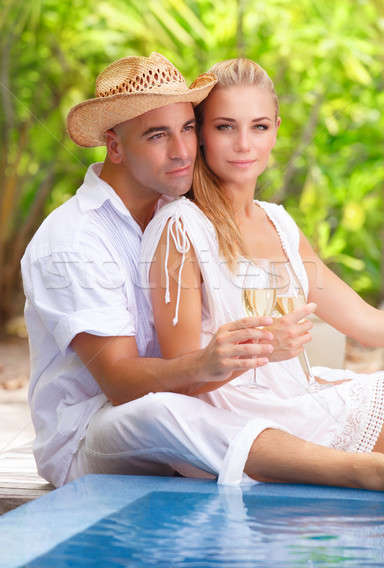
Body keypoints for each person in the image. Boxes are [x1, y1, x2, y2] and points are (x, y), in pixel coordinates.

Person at [21, 52, 384, 491]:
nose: (181, 151)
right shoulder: (75, 238)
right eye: (158, 136)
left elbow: (362, 319)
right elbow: (120, 385)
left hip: (196, 405)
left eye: (188, 129)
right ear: (114, 145)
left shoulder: (173, 209)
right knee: (160, 412)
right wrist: (241, 354)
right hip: (94, 431)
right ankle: (354, 470)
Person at [140, 57, 384, 489]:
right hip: (238, 422)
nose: (244, 145)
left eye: (259, 127)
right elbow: (179, 386)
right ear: (200, 135)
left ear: (276, 130)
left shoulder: (279, 224)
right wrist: (266, 346)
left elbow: (366, 323)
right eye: (225, 127)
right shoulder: (183, 228)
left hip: (297, 398)